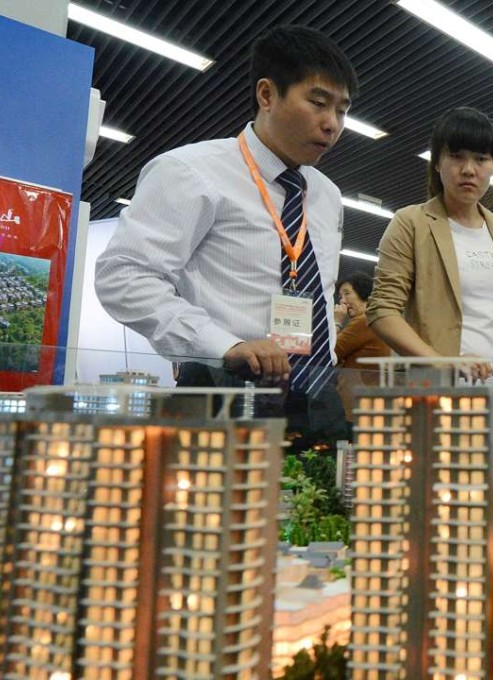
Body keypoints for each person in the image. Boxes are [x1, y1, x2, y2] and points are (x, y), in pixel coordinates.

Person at [95, 26, 357, 428]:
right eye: (318, 103)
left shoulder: (326, 194)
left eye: (341, 110)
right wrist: (224, 345)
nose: (332, 124)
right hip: (226, 388)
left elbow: (318, 291)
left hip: (317, 397)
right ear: (267, 95)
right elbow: (124, 276)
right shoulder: (189, 172)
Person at [366, 107, 493, 384]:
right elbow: (382, 310)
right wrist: (443, 362)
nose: (468, 170)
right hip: (434, 387)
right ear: (437, 162)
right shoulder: (411, 222)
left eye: (481, 159)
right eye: (456, 157)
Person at [334, 271, 390, 427]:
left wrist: (337, 322)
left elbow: (331, 352)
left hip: (358, 402)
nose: (343, 301)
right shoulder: (372, 319)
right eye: (340, 296)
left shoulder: (363, 321)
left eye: (347, 293)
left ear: (363, 293)